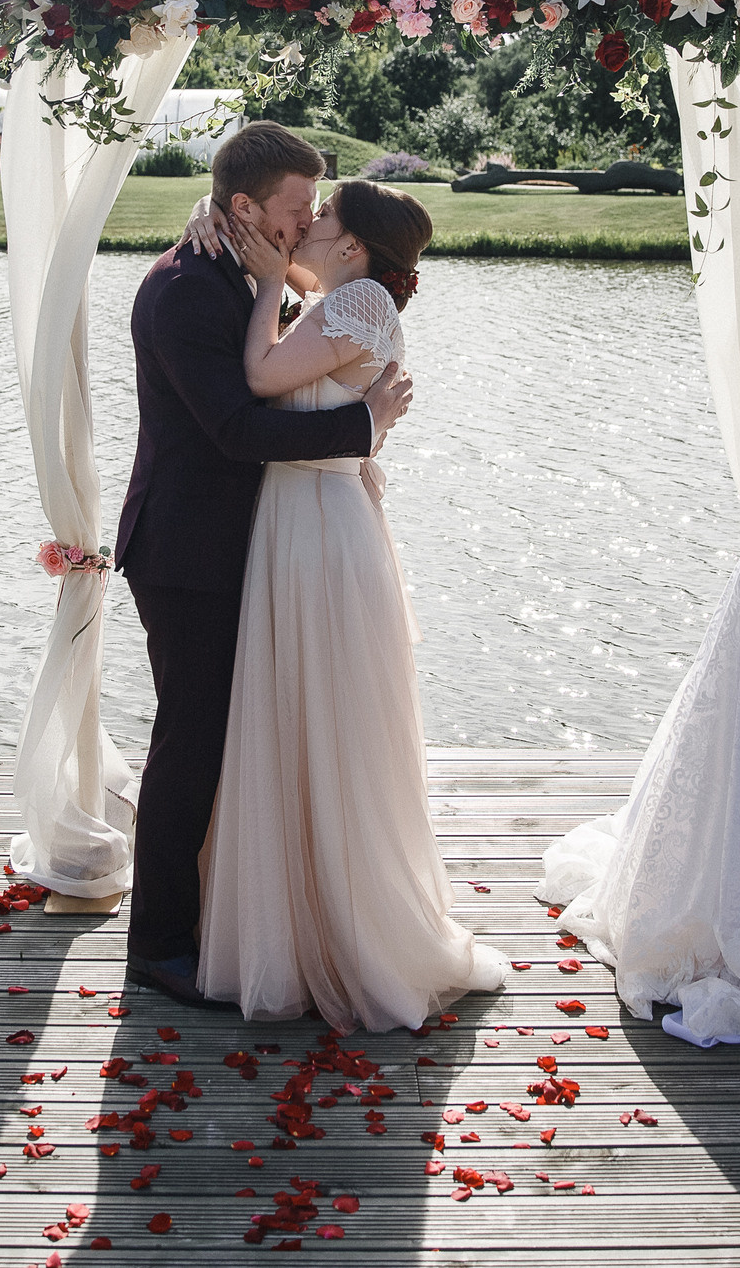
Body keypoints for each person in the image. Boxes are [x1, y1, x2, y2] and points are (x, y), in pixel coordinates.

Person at [196, 179, 510, 1027]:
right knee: (301, 722)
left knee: (329, 722)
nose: (309, 222)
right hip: (303, 523)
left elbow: (262, 375)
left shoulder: (361, 300)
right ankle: (305, 926)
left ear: (354, 245)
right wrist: (257, 249)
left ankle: (351, 931)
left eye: (324, 216)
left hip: (323, 534)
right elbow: (301, 297)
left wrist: (267, 280)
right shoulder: (340, 295)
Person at [114, 124, 415, 1007]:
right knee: (191, 743)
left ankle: (229, 913)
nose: (310, 220)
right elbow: (236, 430)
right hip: (186, 550)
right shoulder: (182, 294)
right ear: (244, 208)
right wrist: (363, 425)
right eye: (296, 208)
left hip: (251, 544)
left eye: (315, 208)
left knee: (230, 738)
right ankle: (159, 943)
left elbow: (313, 312)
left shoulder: (233, 260)